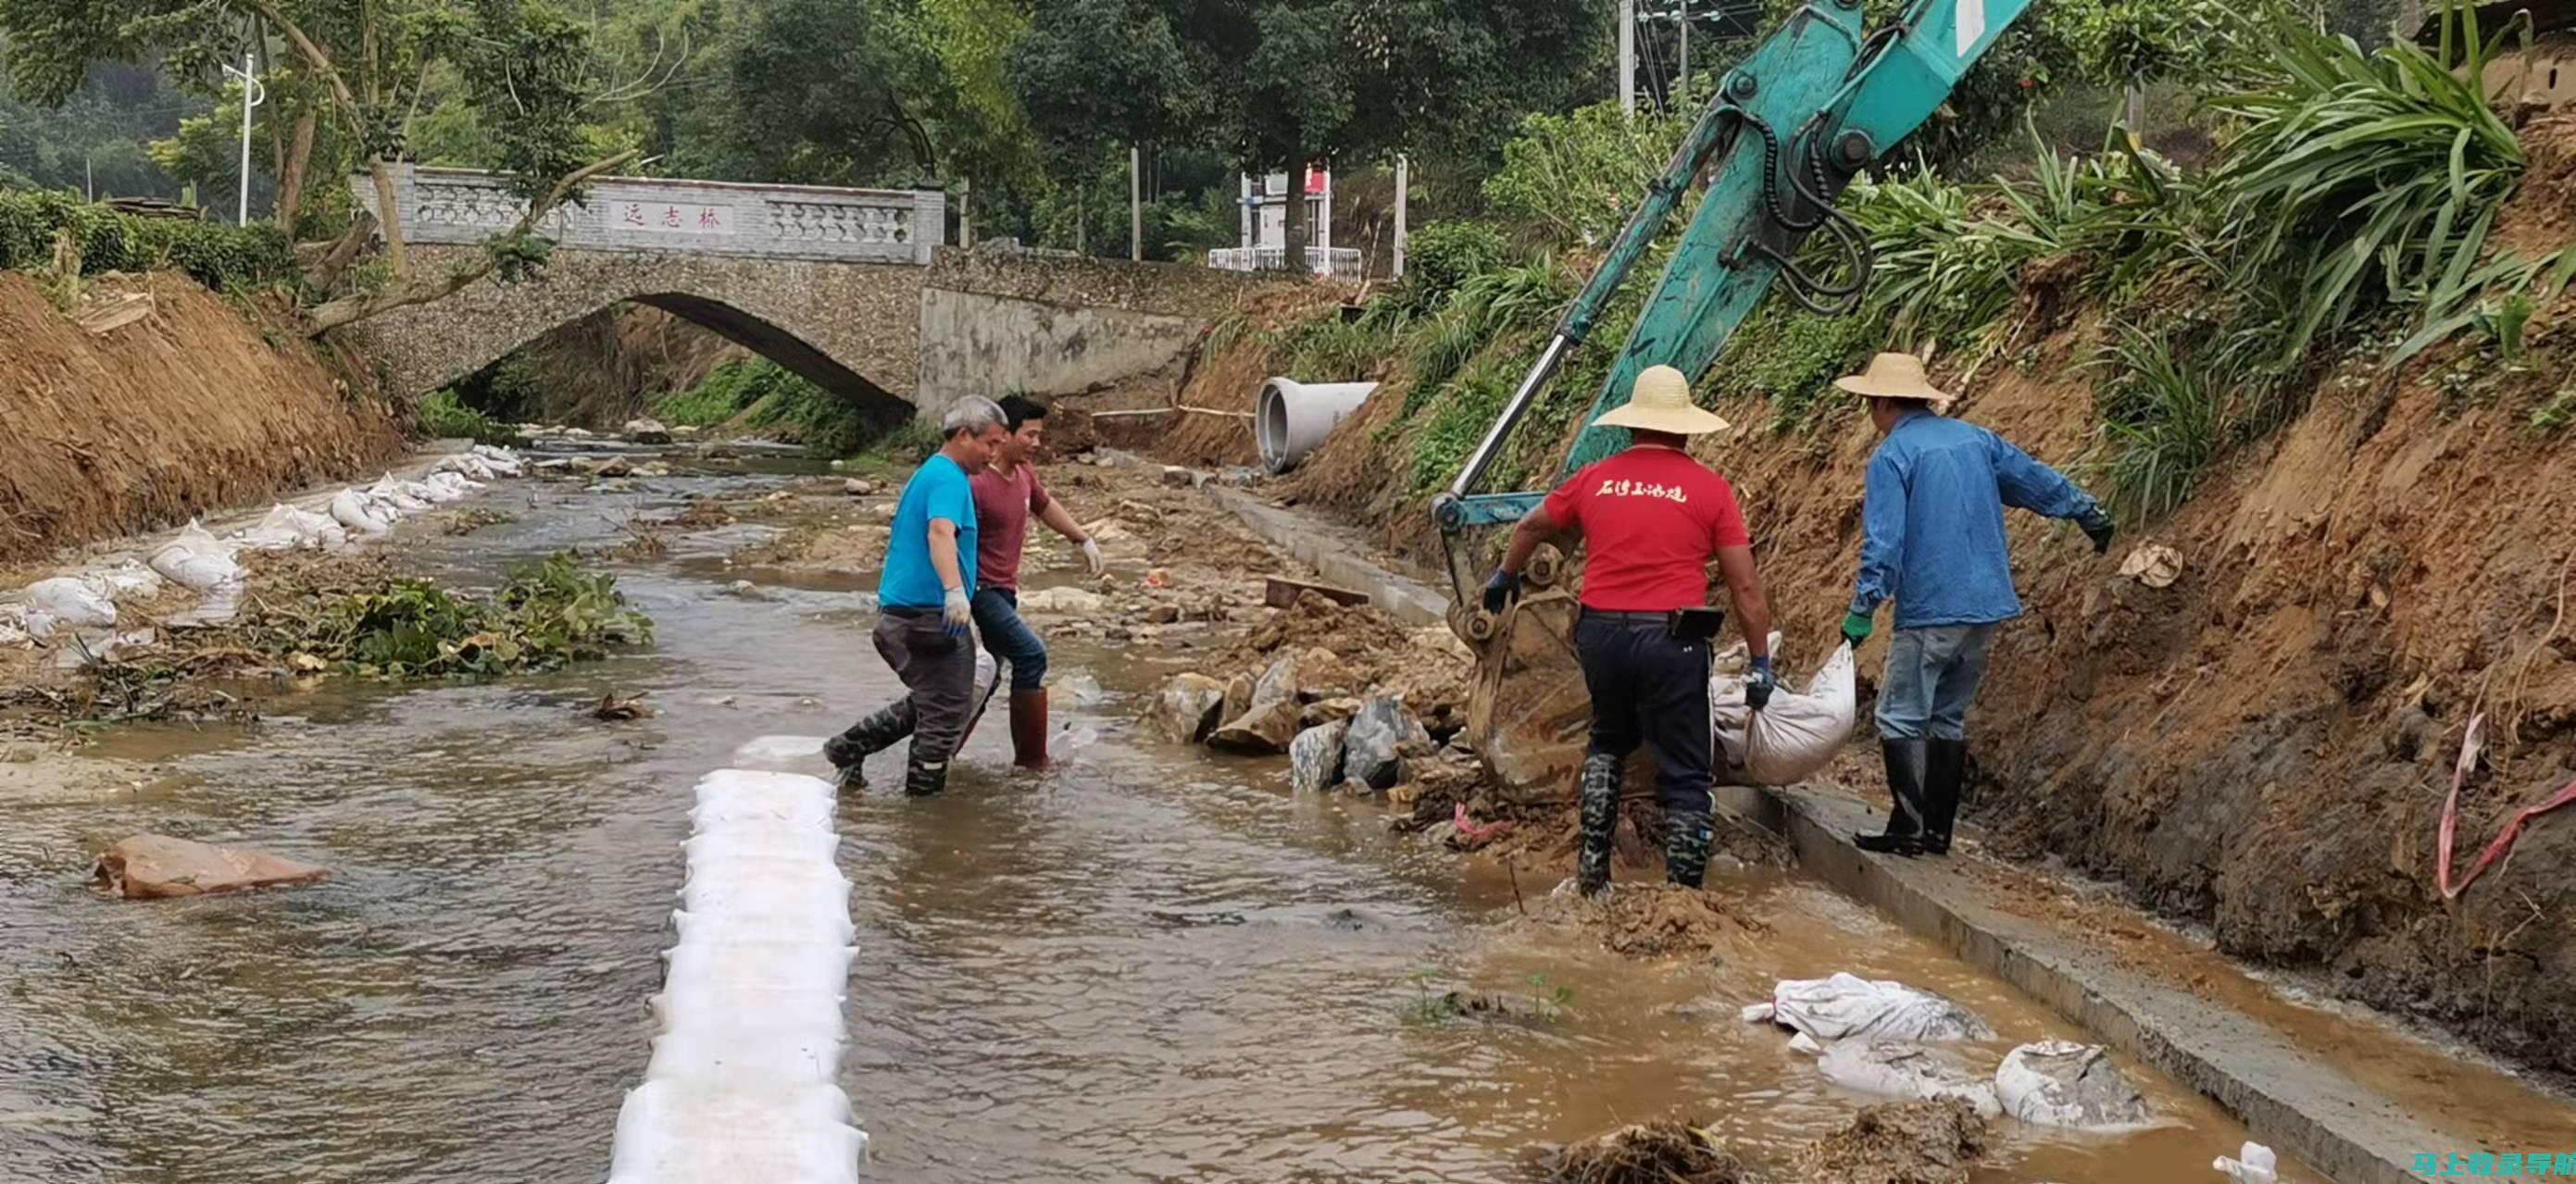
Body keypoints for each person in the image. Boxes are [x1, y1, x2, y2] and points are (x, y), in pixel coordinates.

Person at [1481, 365, 1775, 895]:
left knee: (1608, 740)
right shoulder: (1710, 490)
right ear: (1685, 428)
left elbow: (1530, 525)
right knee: (1687, 766)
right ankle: (1683, 899)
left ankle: (1592, 876)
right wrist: (1759, 663)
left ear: (1631, 426)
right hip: (1673, 640)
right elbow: (1746, 589)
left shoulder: (1595, 477)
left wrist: (1503, 578)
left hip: (1602, 637)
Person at [1834, 353, 2114, 856]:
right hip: (1984, 605)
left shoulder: (1893, 457)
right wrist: (2085, 510)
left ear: (1881, 403)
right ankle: (1938, 832)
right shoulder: (1975, 438)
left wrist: (1864, 606)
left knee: (1900, 716)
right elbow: (2033, 480)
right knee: (1947, 717)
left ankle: (1908, 830)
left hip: (1931, 606)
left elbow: (1884, 544)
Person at [824, 395, 1010, 797]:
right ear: (964, 435)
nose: (995, 455)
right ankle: (924, 818)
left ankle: (848, 746)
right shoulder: (947, 477)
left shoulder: (935, 473)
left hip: (903, 613)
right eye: (990, 443)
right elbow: (940, 532)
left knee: (936, 700)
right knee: (946, 714)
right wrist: (955, 593)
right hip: (927, 616)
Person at [966, 394, 1105, 767]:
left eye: (1039, 436)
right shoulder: (977, 483)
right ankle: (1032, 761)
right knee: (1031, 655)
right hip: (979, 590)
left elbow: (1043, 505)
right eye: (1030, 435)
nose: (1037, 444)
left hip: (1004, 590)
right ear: (1004, 435)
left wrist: (1082, 538)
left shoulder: (1024, 474)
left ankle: (941, 750)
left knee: (986, 677)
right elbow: (948, 536)